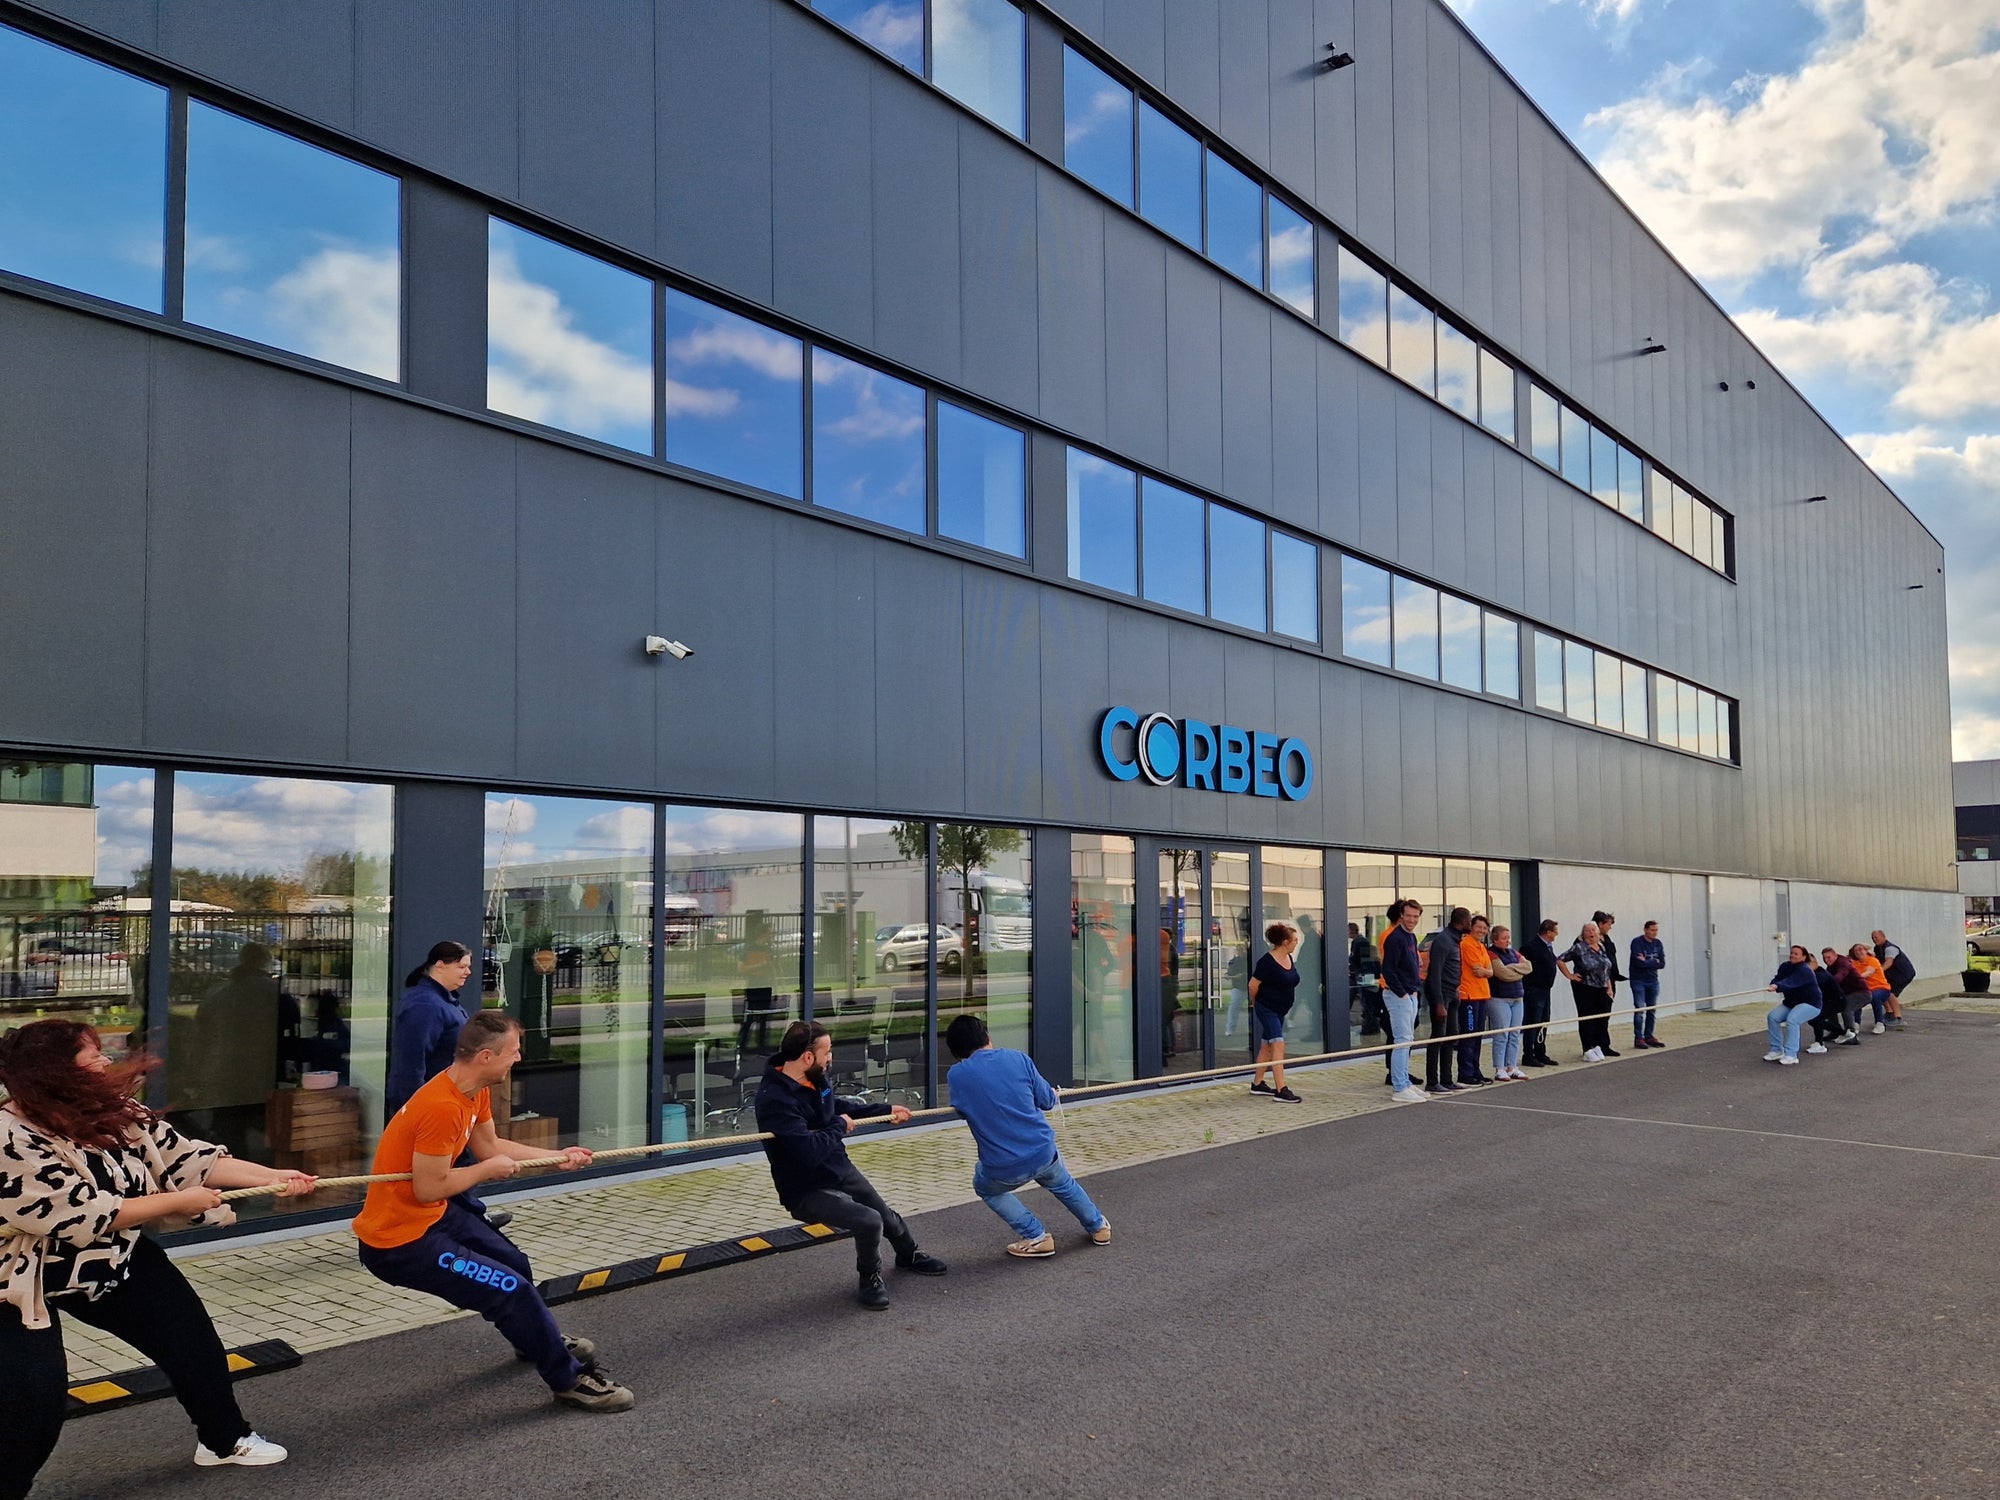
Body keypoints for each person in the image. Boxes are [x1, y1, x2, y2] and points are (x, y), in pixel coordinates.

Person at [1, 1020, 316, 1495]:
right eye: (92, 1056)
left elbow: (190, 1160)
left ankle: (223, 1439)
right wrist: (177, 1202)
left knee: (192, 1342)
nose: (107, 1061)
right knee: (33, 1396)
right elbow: (79, 1214)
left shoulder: (114, 1110)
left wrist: (273, 1176)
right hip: (20, 1276)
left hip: (110, 1259)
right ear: (55, 1073)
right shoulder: (8, 1136)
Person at [352, 1010, 633, 1412]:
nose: (518, 1058)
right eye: (513, 1051)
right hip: (399, 1242)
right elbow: (429, 1186)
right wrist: (485, 1172)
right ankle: (569, 1380)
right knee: (510, 1290)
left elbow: (491, 1147)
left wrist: (557, 1157)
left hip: (430, 1215)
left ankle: (534, 1339)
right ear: (486, 1056)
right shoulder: (440, 1106)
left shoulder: (472, 1089)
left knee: (514, 1262)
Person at [754, 1021, 946, 1310]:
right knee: (869, 1221)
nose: (830, 1057)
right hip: (805, 1188)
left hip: (837, 1166)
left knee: (885, 1215)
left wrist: (885, 1111)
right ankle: (870, 1280)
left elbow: (837, 1108)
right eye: (827, 1052)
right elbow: (808, 1151)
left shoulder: (815, 1078)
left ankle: (909, 1254)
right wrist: (839, 1127)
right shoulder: (775, 1100)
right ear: (808, 1056)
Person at [943, 1013, 1109, 1257]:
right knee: (1062, 1182)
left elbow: (962, 1109)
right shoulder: (1018, 1058)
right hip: (1043, 1151)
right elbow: (1047, 1101)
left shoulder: (957, 1075)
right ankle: (1098, 1226)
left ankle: (1036, 1236)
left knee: (985, 1188)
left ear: (957, 1051)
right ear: (987, 1037)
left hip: (1002, 1165)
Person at [387, 941, 506, 1230]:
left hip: (453, 1103)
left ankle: (468, 1220)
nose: (468, 972)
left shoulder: (442, 1001)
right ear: (440, 965)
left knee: (456, 1164)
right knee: (444, 1168)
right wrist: (412, 1112)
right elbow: (410, 1066)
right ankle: (469, 1223)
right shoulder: (424, 1005)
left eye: (468, 966)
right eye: (461, 966)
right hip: (434, 1109)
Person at [1380, 901, 1428, 1103]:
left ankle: (1405, 1082)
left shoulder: (1410, 936)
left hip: (1410, 994)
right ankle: (1399, 1087)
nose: (1412, 920)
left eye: (1416, 916)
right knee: (1402, 1041)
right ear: (1401, 915)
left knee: (1407, 1040)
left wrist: (1413, 992)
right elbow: (1388, 969)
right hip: (1398, 995)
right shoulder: (1395, 938)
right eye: (1408, 915)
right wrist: (1402, 994)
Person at [1423, 908, 1470, 1093]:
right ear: (1462, 921)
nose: (1470, 923)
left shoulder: (1455, 939)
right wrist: (1439, 1003)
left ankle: (1447, 1079)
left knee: (1451, 1035)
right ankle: (1432, 1082)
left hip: (1452, 992)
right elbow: (1434, 973)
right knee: (1438, 1036)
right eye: (1469, 920)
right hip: (1441, 993)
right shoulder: (1443, 940)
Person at [1557, 922, 1617, 1061]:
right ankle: (1587, 1048)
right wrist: (1570, 975)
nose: (1591, 933)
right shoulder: (1579, 948)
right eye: (1588, 931)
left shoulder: (1601, 947)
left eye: (1593, 930)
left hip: (1602, 988)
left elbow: (1606, 969)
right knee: (1587, 1018)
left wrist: (1609, 987)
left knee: (1601, 1018)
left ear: (1598, 933)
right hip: (1585, 987)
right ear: (1583, 934)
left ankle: (1597, 1045)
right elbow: (1560, 960)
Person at [1487, 926, 1531, 1081]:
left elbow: (1528, 967)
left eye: (1508, 937)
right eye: (1504, 938)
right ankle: (1499, 1068)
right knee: (1502, 1034)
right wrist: (1518, 972)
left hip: (1517, 997)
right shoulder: (1491, 953)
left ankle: (1512, 1066)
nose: (1508, 941)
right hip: (1499, 998)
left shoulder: (1514, 952)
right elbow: (1502, 974)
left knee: (1515, 1033)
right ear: (1495, 940)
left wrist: (1512, 968)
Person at [1764, 946, 1822, 1065]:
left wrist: (1778, 986)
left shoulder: (1805, 970)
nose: (1792, 955)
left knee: (1792, 1019)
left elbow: (1792, 981)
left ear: (1803, 957)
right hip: (1791, 1003)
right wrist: (1773, 984)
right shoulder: (1785, 966)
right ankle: (1777, 1050)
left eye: (1796, 954)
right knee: (1772, 1017)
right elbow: (1778, 979)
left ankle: (1791, 1055)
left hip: (1811, 1003)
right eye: (1792, 953)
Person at [1456, 915, 1496, 1085]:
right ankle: (1465, 1073)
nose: (1482, 931)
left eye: (1485, 928)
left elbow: (1490, 971)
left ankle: (1475, 1071)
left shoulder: (1481, 946)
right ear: (1471, 927)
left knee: (1478, 1036)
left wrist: (1487, 972)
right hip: (1469, 996)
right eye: (1479, 927)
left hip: (1482, 994)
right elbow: (1477, 970)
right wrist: (1487, 972)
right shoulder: (1466, 944)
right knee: (1469, 1036)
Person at [1520, 919, 1562, 1068]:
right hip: (1535, 990)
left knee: (1544, 1021)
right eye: (1555, 932)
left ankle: (1540, 1052)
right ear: (1548, 932)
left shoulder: (1548, 947)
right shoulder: (1531, 947)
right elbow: (1525, 968)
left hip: (1545, 990)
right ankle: (1528, 1054)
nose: (1556, 935)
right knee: (1533, 1021)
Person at [1628, 920, 1666, 1049]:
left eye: (1656, 930)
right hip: (1638, 980)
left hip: (1653, 980)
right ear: (1645, 930)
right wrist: (1654, 962)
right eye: (1652, 930)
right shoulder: (1637, 942)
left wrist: (1647, 961)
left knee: (1651, 1009)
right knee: (1639, 1009)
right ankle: (1639, 1038)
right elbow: (1639, 963)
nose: (1654, 933)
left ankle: (1649, 1036)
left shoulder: (1658, 943)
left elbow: (1662, 963)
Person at [1872, 931, 1915, 1030]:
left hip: (1903, 974)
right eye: (1873, 938)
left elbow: (1888, 963)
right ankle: (1890, 1013)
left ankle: (1898, 1017)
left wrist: (1878, 971)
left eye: (1876, 937)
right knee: (1882, 990)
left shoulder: (1890, 948)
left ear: (1883, 936)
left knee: (1890, 992)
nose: (1874, 939)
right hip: (1892, 975)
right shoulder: (1877, 948)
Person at [1825, 947, 1869, 1045]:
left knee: (1846, 1007)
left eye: (1829, 957)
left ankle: (1852, 1034)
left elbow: (1840, 976)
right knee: (1829, 1005)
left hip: (1861, 992)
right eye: (1824, 958)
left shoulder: (1843, 963)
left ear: (1835, 955)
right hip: (1847, 994)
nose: (1826, 960)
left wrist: (1829, 984)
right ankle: (1835, 1031)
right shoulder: (1830, 967)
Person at [1848, 944, 1893, 1034]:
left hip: (1881, 987)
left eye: (1861, 949)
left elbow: (1868, 972)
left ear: (1866, 951)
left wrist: (1855, 977)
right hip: (1865, 990)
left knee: (1875, 997)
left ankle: (1879, 1023)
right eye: (1856, 950)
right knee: (1856, 998)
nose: (1858, 952)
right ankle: (1856, 1024)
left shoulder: (1873, 960)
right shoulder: (1854, 963)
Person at [1807, 953, 1844, 1054]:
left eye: (1807, 964)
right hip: (1828, 1001)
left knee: (1815, 1017)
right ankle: (1842, 1032)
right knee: (1813, 1018)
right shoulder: (1815, 974)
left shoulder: (1820, 975)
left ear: (1814, 963)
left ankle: (1820, 1044)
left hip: (1837, 1002)